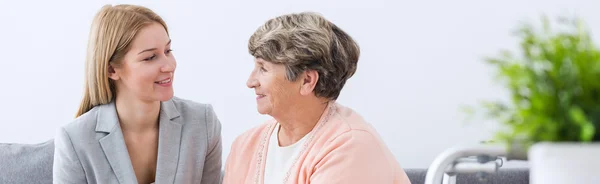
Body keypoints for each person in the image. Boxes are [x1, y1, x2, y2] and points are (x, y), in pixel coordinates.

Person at [223, 12, 411, 184]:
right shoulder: (246, 146)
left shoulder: (350, 147)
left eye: (263, 68)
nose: (250, 81)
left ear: (307, 80)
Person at [52, 4, 222, 184]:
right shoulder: (75, 140)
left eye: (167, 51)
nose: (169, 66)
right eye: (150, 57)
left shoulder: (202, 123)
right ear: (111, 69)